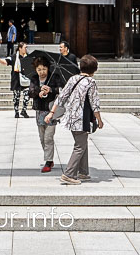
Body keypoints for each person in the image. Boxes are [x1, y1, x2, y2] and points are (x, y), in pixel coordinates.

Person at [47, 54, 104, 186]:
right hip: (82, 119)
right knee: (80, 146)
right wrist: (99, 120)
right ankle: (69, 174)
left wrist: (51, 113)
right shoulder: (91, 82)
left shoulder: (73, 79)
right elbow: (95, 104)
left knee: (82, 143)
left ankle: (83, 172)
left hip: (71, 118)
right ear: (94, 69)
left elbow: (61, 97)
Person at [28, 53, 66, 172]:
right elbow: (30, 92)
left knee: (48, 137)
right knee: (42, 137)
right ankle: (48, 157)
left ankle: (48, 161)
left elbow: (61, 90)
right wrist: (38, 91)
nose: (42, 72)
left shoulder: (54, 77)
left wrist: (51, 90)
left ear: (48, 68)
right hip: (40, 110)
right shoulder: (34, 78)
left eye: (44, 69)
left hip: (51, 111)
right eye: (39, 69)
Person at [0, 42, 33, 118]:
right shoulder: (14, 57)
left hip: (25, 79)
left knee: (27, 95)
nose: (26, 49)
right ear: (20, 48)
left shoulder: (28, 57)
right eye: (25, 47)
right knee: (16, 97)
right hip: (16, 79)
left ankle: (24, 110)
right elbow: (5, 62)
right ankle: (16, 111)